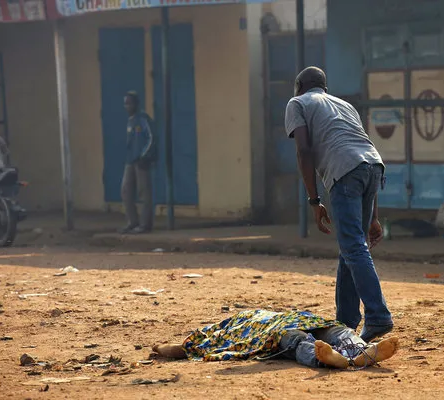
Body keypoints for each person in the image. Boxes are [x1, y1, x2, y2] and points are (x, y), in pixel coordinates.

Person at [284, 67, 393, 343]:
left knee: (353, 246)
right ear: (325, 86)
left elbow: (303, 150)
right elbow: (362, 152)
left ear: (299, 85)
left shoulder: (297, 103)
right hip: (373, 165)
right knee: (351, 248)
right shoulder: (345, 106)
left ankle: (378, 316)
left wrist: (314, 200)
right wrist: (373, 218)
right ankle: (345, 323)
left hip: (344, 172)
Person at [152, 309, 399, 369]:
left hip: (292, 323)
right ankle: (356, 354)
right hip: (284, 328)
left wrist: (161, 348)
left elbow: (189, 345)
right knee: (313, 337)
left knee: (332, 332)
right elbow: (184, 347)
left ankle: (356, 355)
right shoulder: (232, 326)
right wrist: (161, 348)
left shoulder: (234, 323)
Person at [120, 91, 156, 234]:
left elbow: (152, 138)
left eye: (129, 103)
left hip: (142, 161)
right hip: (130, 161)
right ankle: (132, 222)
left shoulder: (143, 119)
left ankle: (145, 224)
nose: (127, 106)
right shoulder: (130, 121)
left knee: (144, 193)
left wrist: (144, 156)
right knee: (126, 191)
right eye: (125, 103)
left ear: (136, 104)